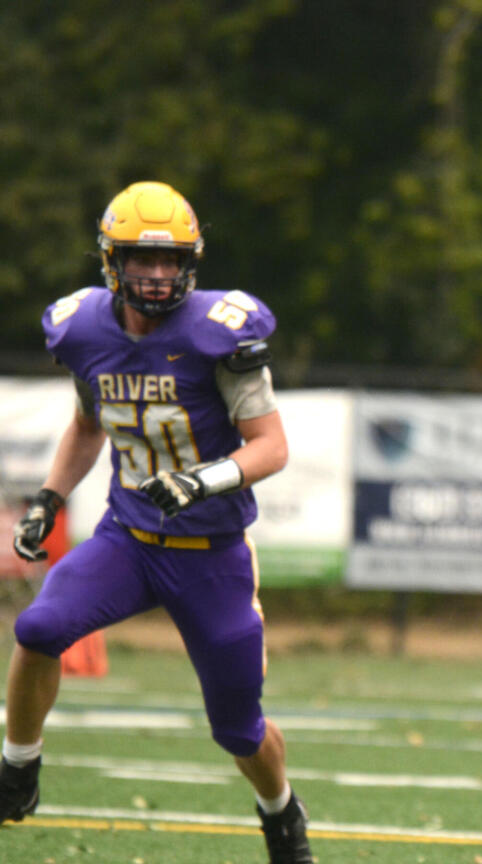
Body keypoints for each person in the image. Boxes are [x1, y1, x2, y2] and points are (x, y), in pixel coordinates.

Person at [0, 181, 312, 864]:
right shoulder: (83, 328)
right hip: (129, 539)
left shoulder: (218, 332)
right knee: (39, 628)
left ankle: (281, 812)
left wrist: (202, 479)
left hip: (211, 553)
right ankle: (17, 767)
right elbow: (90, 422)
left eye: (171, 261)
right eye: (143, 259)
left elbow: (271, 446)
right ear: (111, 262)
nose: (159, 274)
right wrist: (50, 500)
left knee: (237, 728)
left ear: (191, 263)